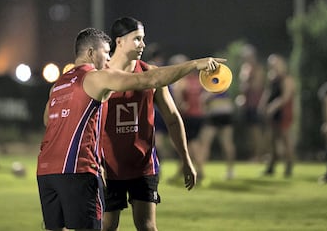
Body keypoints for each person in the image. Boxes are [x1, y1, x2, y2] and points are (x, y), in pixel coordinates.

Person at [36, 27, 224, 231]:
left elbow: (49, 120)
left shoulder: (58, 85)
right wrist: (195, 64)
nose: (108, 59)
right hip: (77, 170)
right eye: (105, 52)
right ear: (90, 53)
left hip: (46, 172)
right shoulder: (95, 77)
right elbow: (148, 80)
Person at [101, 17, 199, 231]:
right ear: (119, 41)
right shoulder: (99, 75)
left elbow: (173, 118)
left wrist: (185, 158)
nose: (143, 45)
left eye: (143, 39)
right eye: (137, 39)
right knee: (107, 227)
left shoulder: (151, 74)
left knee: (147, 227)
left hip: (143, 165)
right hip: (107, 167)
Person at [167, 54, 206, 183]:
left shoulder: (181, 81)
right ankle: (182, 170)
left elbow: (178, 100)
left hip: (188, 116)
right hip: (198, 115)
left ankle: (200, 170)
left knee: (189, 144)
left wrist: (178, 107)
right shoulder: (196, 80)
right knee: (189, 144)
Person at [258, 54, 295, 177]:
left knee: (285, 139)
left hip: (284, 112)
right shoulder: (272, 78)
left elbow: (286, 97)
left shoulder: (287, 79)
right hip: (273, 113)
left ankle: (289, 165)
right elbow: (268, 92)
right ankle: (272, 166)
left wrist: (274, 106)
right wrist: (263, 105)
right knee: (273, 139)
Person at [195, 91, 236, 181]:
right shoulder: (225, 79)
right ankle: (231, 171)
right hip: (226, 110)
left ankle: (200, 171)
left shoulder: (208, 80)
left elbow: (205, 98)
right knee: (227, 143)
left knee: (205, 143)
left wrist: (204, 106)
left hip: (215, 111)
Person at [236, 44, 266, 162]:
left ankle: (259, 156)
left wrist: (246, 86)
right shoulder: (245, 68)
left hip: (256, 103)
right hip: (247, 104)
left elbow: (257, 86)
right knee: (250, 131)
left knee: (256, 131)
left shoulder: (258, 69)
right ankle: (254, 155)